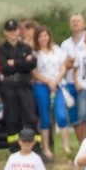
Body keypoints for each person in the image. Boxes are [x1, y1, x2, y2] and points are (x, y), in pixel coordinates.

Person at [0, 19, 39, 154]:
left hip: (24, 86)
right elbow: (3, 67)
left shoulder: (26, 47)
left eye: (15, 30)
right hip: (9, 86)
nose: (12, 33)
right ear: (5, 33)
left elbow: (32, 64)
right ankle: (14, 148)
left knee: (31, 117)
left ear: (18, 31)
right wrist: (22, 62)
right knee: (12, 118)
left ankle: (35, 147)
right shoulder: (1, 49)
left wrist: (13, 62)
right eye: (9, 30)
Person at [32, 26, 71, 159]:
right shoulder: (34, 53)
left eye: (45, 35)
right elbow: (34, 72)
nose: (43, 38)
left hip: (58, 84)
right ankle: (46, 148)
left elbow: (63, 66)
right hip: (41, 85)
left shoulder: (57, 50)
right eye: (40, 36)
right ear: (37, 38)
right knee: (45, 117)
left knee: (61, 115)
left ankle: (66, 146)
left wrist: (56, 80)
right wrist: (48, 81)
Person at [60, 13, 86, 142]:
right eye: (73, 21)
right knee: (74, 115)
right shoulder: (65, 44)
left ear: (84, 24)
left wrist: (73, 60)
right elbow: (65, 63)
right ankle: (82, 144)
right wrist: (76, 60)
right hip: (70, 82)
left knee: (85, 115)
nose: (75, 23)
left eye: (78, 20)